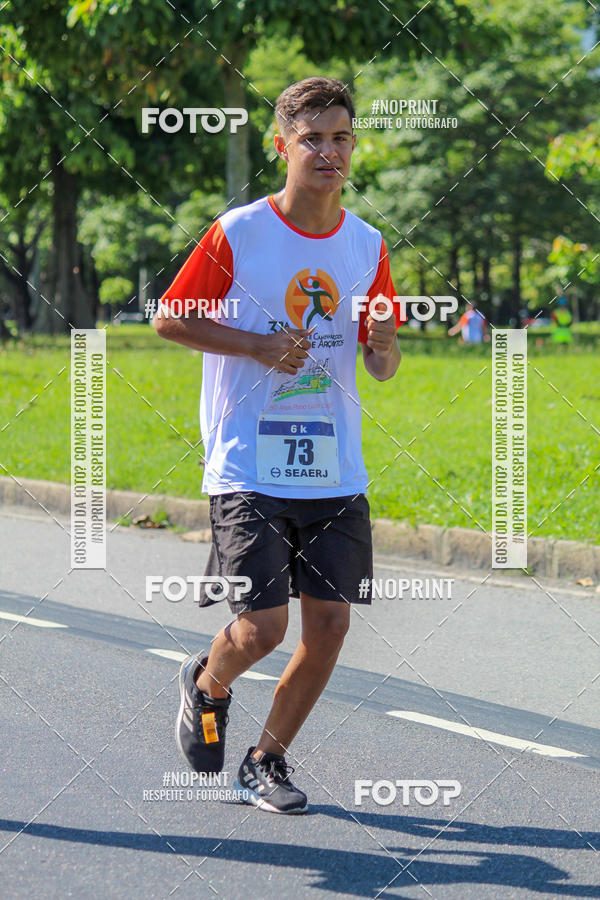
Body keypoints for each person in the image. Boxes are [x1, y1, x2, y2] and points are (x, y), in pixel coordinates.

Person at [153, 77, 403, 814]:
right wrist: (256, 346)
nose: (328, 152)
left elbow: (381, 364)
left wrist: (385, 346)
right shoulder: (240, 231)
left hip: (334, 464)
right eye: (312, 138)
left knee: (327, 625)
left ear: (354, 145)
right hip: (249, 460)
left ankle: (267, 761)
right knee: (263, 627)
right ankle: (207, 683)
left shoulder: (368, 244)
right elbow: (170, 318)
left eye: (341, 137)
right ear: (282, 146)